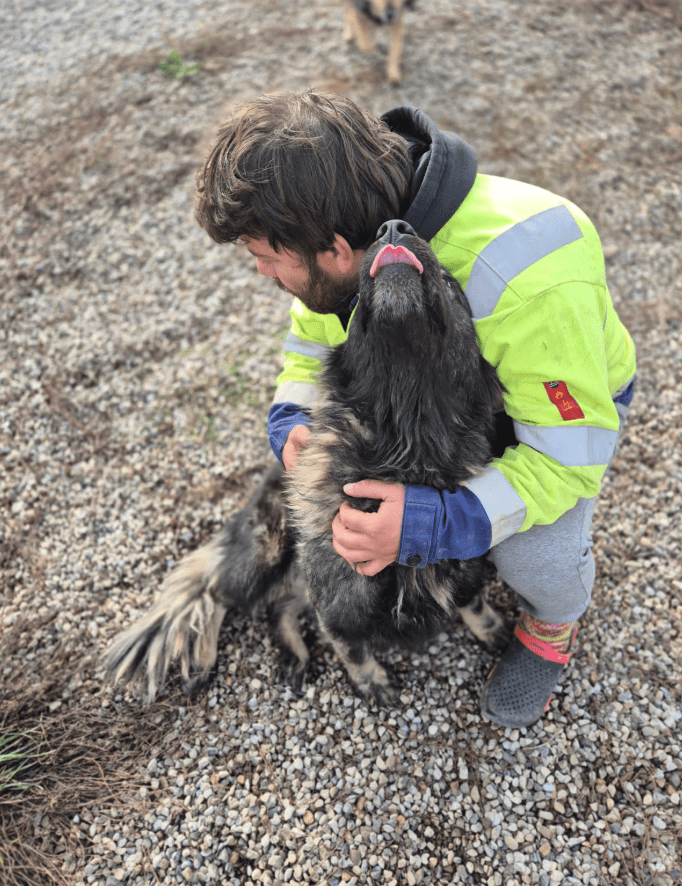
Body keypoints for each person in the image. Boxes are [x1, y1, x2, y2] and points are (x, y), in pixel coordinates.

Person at [194, 90, 636, 729]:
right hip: (447, 403)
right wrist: (292, 416)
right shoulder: (341, 228)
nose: (264, 273)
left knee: (529, 556)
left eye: (265, 259)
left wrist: (439, 522)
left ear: (336, 252)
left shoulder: (528, 272)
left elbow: (567, 458)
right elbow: (311, 340)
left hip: (550, 415)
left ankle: (553, 624)